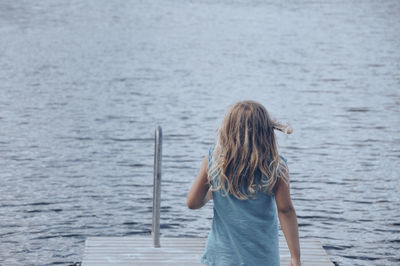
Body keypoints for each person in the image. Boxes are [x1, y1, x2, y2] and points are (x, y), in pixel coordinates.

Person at [186, 100, 301, 266]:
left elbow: (192, 203)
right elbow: (285, 210)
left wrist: (212, 194)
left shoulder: (213, 162)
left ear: (227, 130)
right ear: (266, 132)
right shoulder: (275, 167)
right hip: (261, 259)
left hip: (221, 258)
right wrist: (295, 257)